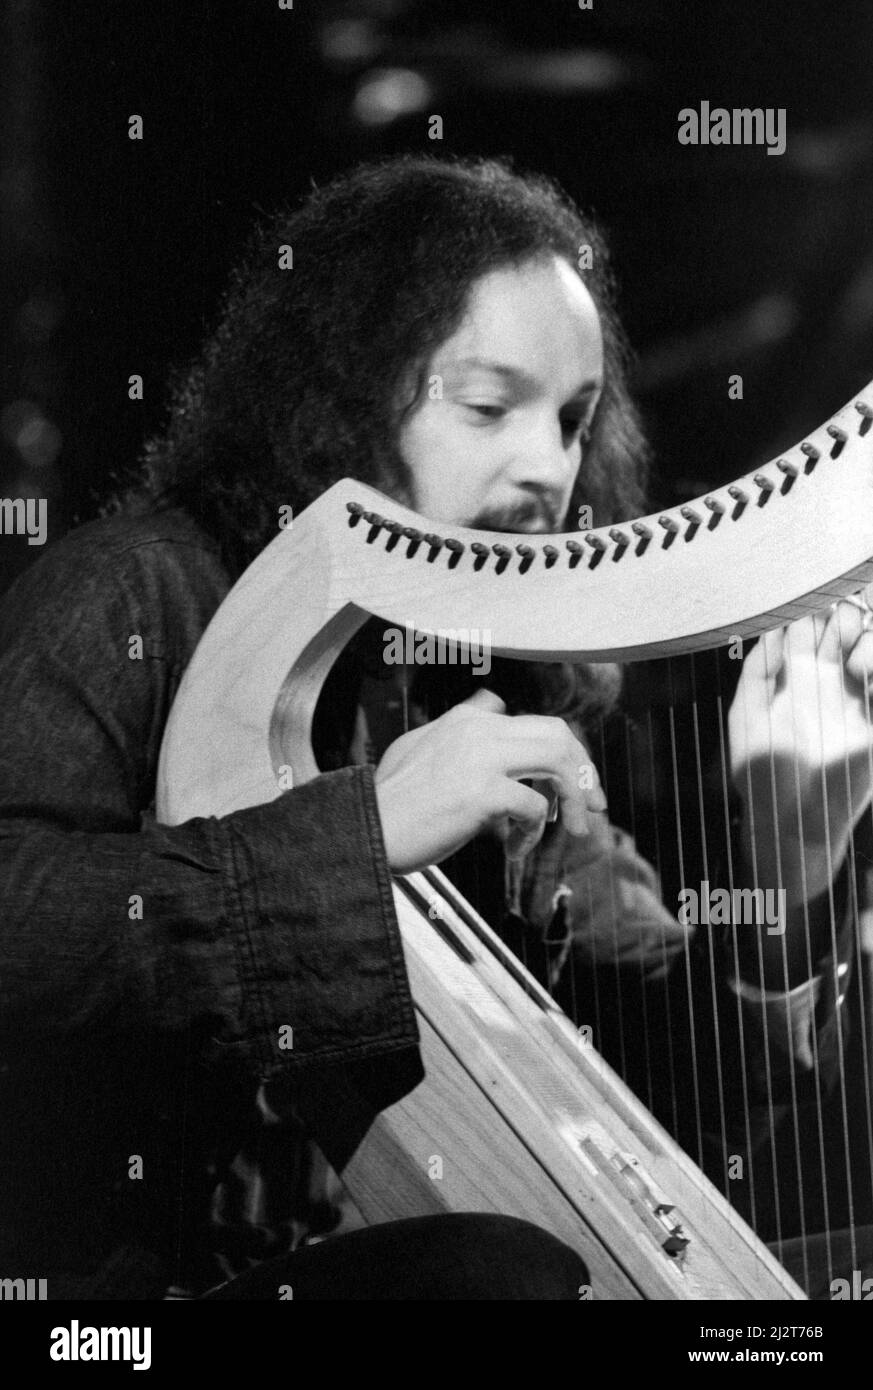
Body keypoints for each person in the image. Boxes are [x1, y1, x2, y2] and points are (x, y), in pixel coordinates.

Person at [0, 155, 870, 1300]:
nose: (548, 468)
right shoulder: (133, 594)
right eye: (488, 406)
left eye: (573, 420)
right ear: (344, 395)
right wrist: (361, 832)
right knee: (492, 1275)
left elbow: (679, 1132)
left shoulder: (494, 675)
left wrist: (787, 869)